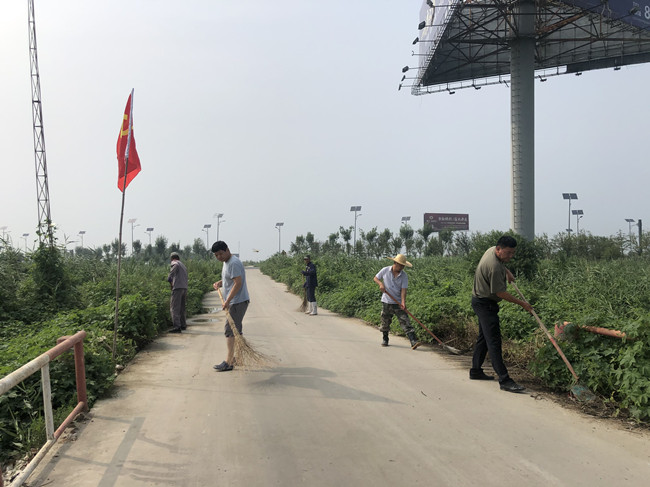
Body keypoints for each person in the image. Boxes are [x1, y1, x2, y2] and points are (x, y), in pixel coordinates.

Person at [470, 235, 533, 393]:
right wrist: (522, 303)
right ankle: (505, 380)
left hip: (478, 300)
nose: (511, 256)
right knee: (494, 342)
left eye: (513, 253)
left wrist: (507, 271)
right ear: (499, 249)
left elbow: (500, 265)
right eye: (508, 253)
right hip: (485, 305)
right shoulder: (495, 267)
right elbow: (501, 293)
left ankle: (476, 371)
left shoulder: (492, 250)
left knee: (484, 338)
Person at [211, 240, 250, 372]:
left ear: (227, 250)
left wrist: (227, 301)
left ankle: (229, 362)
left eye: (220, 254)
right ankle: (237, 357)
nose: (219, 257)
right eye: (216, 255)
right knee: (236, 330)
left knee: (230, 330)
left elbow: (238, 283)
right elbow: (231, 279)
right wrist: (220, 283)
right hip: (235, 301)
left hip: (237, 302)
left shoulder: (233, 263)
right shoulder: (227, 262)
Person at [373, 254, 420, 349]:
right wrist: (381, 284)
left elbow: (403, 290)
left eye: (403, 266)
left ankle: (413, 341)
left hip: (397, 302)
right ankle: (385, 339)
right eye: (401, 265)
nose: (402, 267)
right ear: (395, 263)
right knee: (385, 321)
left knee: (405, 320)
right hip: (386, 301)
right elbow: (376, 278)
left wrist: (403, 302)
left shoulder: (404, 276)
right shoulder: (385, 270)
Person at [167, 252, 188, 333]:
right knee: (182, 308)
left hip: (177, 287)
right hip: (184, 287)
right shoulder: (183, 265)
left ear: (172, 258)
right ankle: (183, 325)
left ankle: (177, 327)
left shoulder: (175, 263)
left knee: (174, 308)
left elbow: (170, 275)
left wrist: (170, 280)